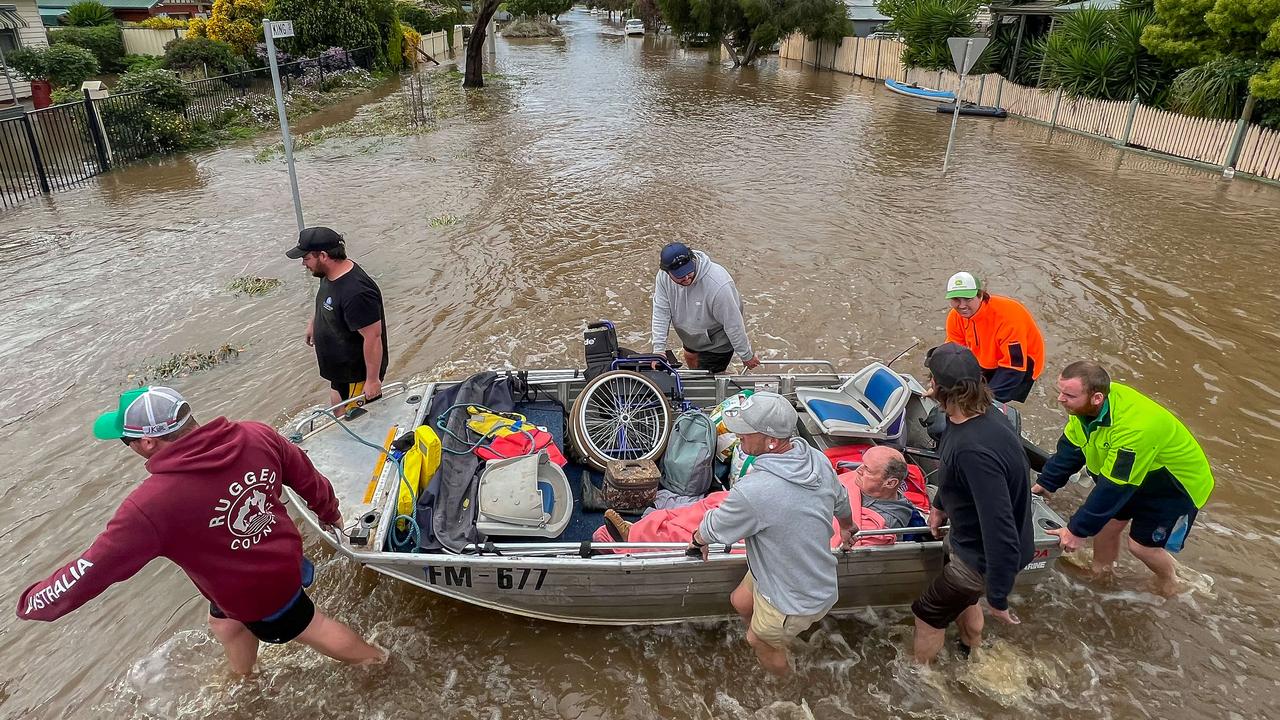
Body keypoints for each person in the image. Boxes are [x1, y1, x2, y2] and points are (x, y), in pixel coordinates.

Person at [16, 387, 385, 674]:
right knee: (224, 624)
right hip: (267, 559)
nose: (126, 447)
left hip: (257, 589)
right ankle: (244, 678)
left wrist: (32, 604)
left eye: (125, 440)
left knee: (310, 626)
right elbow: (305, 474)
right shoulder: (256, 434)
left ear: (147, 442)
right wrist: (329, 511)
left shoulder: (150, 506)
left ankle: (376, 661)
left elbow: (93, 570)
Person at [686, 392, 854, 676]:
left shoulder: (754, 491)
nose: (737, 434)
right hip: (786, 570)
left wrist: (696, 540)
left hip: (795, 597)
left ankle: (785, 684)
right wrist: (848, 527)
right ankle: (771, 633)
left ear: (772, 441)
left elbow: (714, 527)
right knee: (740, 600)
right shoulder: (816, 458)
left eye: (745, 432)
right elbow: (841, 499)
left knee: (758, 639)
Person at [1032, 361, 1214, 596]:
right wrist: (1046, 483)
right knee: (1107, 526)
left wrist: (1076, 531)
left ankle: (1172, 581)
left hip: (1172, 485)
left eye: (1068, 394)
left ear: (1096, 397)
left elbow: (1113, 488)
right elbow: (1072, 448)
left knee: (1141, 546)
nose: (1060, 399)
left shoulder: (1135, 428)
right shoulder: (1084, 407)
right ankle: (1101, 573)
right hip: (1133, 472)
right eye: (1061, 391)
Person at [912, 343, 1034, 664]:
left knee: (927, 614)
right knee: (966, 600)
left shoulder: (974, 451)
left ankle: (922, 680)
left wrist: (998, 594)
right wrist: (939, 506)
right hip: (969, 542)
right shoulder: (978, 416)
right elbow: (952, 473)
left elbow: (1000, 527)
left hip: (980, 558)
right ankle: (971, 652)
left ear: (936, 387)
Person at [598, 446, 916, 546]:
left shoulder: (890, 518)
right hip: (797, 504)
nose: (857, 472)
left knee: (728, 534)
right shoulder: (858, 484)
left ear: (889, 484)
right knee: (716, 503)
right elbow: (831, 485)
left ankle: (639, 543)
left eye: (866, 471)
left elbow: (851, 531)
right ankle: (645, 528)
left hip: (797, 531)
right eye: (859, 467)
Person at [287, 226, 388, 408]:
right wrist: (314, 322)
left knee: (356, 425)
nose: (303, 263)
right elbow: (326, 298)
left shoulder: (357, 292)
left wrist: (372, 380)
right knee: (339, 412)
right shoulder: (327, 273)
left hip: (356, 375)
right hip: (339, 372)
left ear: (323, 255)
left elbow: (373, 337)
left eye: (306, 258)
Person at [651, 242, 761, 374]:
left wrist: (746, 356)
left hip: (716, 341)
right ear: (667, 272)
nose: (686, 278)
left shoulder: (719, 285)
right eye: (680, 275)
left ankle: (721, 378)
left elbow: (733, 324)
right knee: (690, 358)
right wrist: (658, 350)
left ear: (692, 260)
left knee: (704, 381)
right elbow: (661, 312)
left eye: (688, 271)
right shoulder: (663, 277)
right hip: (691, 337)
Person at [944, 271, 1045, 403]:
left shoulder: (1008, 317)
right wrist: (940, 385)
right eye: (956, 299)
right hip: (986, 357)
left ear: (980, 296)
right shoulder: (955, 317)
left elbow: (1014, 368)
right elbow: (953, 353)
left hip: (1021, 364)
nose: (962, 306)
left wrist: (983, 401)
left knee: (989, 403)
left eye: (968, 299)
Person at [847, 445, 917, 531]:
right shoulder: (866, 485)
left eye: (867, 470)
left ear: (890, 483)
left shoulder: (883, 523)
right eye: (862, 464)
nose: (858, 470)